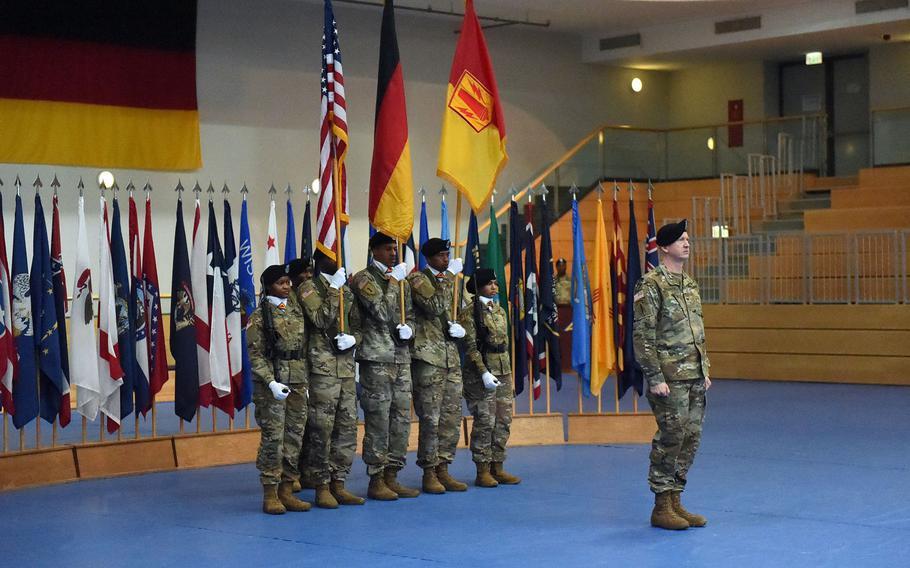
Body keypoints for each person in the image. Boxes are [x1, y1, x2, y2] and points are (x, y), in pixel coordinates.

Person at [632, 219, 712, 531]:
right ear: (664, 247)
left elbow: (698, 332)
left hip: (693, 375)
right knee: (671, 436)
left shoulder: (690, 284)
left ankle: (676, 499)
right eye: (680, 239)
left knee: (691, 437)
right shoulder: (651, 285)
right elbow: (643, 336)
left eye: (688, 239)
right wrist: (655, 377)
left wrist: (704, 369)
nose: (686, 243)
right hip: (669, 377)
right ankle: (661, 505)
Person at [351, 231, 419, 500]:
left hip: (401, 358)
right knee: (378, 419)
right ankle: (376, 478)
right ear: (374, 251)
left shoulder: (399, 279)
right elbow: (380, 311)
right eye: (389, 249)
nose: (394, 253)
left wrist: (409, 330)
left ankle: (393, 475)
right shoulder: (365, 278)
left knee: (401, 419)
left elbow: (409, 313)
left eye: (395, 249)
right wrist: (393, 282)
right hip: (376, 358)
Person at [297, 249, 365, 508]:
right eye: (331, 252)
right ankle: (321, 485)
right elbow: (320, 318)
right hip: (322, 369)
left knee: (346, 428)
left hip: (346, 368)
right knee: (321, 429)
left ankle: (339, 482)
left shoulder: (345, 289)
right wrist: (333, 291)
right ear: (319, 259)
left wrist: (354, 339)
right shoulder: (308, 288)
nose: (337, 257)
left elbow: (358, 325)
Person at [246, 263, 311, 515]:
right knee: (274, 439)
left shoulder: (295, 311)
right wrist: (270, 381)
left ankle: (287, 489)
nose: (286, 287)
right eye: (280, 283)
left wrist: (302, 381)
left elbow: (301, 349)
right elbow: (256, 354)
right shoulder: (260, 317)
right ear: (268, 286)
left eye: (288, 282)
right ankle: (270, 493)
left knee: (294, 437)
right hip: (272, 384)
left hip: (296, 380)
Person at [406, 238, 468, 494]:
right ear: (429, 258)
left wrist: (459, 328)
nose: (446, 259)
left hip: (450, 357)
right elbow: (434, 306)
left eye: (447, 255)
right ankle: (429, 471)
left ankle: (444, 466)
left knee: (451, 418)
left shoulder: (449, 281)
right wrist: (449, 276)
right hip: (428, 358)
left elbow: (452, 311)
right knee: (431, 419)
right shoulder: (418, 280)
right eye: (441, 256)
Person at [458, 268, 520, 487]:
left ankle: (498, 466)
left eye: (495, 283)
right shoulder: (469, 313)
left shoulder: (499, 310)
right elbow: (471, 346)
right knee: (485, 420)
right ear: (478, 287)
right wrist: (483, 371)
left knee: (503, 420)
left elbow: (503, 342)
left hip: (502, 369)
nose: (495, 286)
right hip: (480, 373)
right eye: (489, 283)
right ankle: (482, 469)